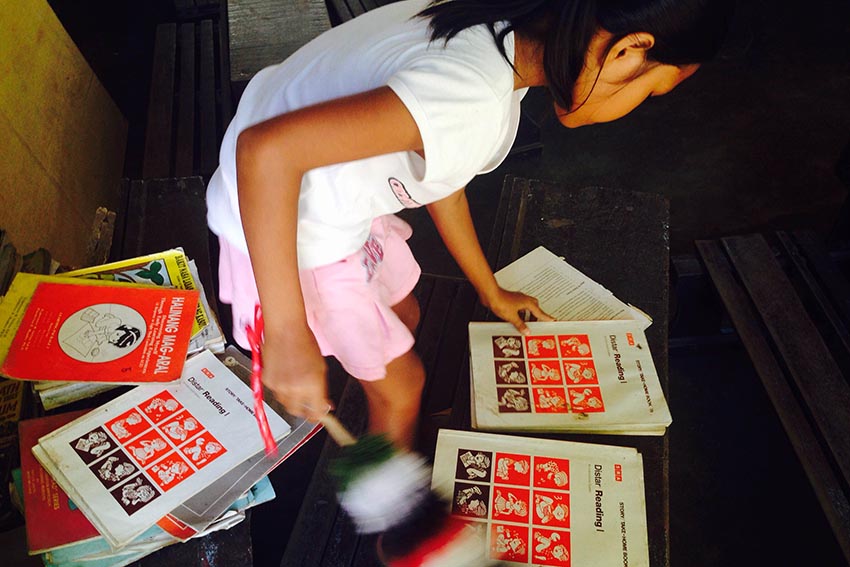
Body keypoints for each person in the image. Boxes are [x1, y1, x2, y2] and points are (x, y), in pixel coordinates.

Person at [206, 0, 733, 449]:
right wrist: (288, 332)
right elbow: (267, 155)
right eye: (654, 91)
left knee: (405, 312)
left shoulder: (490, 33)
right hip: (285, 225)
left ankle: (349, 358)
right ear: (628, 51)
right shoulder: (467, 97)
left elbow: (443, 170)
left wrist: (491, 289)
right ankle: (395, 526)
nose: (640, 104)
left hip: (321, 195)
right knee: (403, 385)